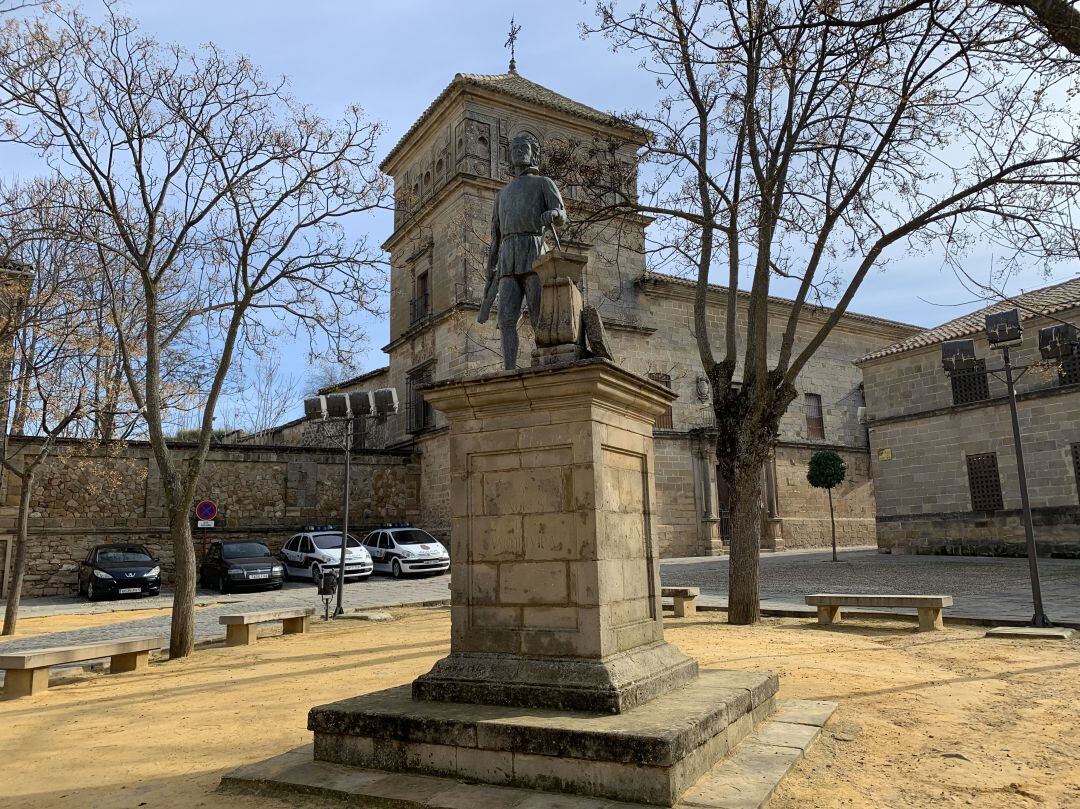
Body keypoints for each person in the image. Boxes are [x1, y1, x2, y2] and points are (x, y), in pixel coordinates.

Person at [477, 133, 567, 369]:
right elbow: (495, 238)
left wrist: (554, 215)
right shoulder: (501, 195)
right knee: (506, 318)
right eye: (515, 148)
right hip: (508, 257)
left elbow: (561, 215)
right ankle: (509, 368)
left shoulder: (543, 183)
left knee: (539, 315)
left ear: (533, 154)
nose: (518, 151)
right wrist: (490, 270)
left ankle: (544, 362)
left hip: (534, 251)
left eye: (524, 147)